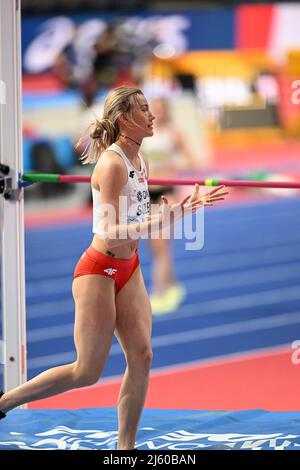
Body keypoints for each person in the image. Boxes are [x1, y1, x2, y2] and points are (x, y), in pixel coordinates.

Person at [0, 87, 228, 450]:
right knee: (86, 372)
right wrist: (163, 219)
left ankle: (126, 448)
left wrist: (186, 208)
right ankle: (4, 402)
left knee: (142, 355)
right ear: (125, 119)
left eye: (151, 109)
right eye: (143, 110)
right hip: (99, 270)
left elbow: (139, 216)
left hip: (129, 267)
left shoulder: (142, 160)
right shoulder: (112, 163)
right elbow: (108, 229)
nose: (152, 116)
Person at [141, 97, 198, 314]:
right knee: (154, 247)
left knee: (161, 244)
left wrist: (174, 165)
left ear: (167, 111)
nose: (156, 113)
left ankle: (158, 292)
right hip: (146, 194)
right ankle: (173, 286)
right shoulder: (143, 136)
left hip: (168, 194)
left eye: (160, 109)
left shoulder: (173, 135)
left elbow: (194, 161)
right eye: (152, 109)